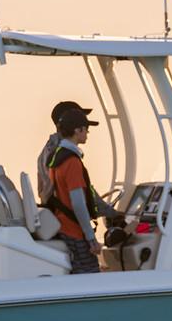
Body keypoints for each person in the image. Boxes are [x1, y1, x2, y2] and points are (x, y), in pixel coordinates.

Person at [44, 108, 123, 275]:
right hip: (74, 230)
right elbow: (78, 203)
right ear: (77, 131)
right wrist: (91, 238)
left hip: (62, 226)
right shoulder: (72, 162)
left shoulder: (56, 157)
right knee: (90, 275)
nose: (87, 133)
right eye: (85, 129)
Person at [37, 100, 93, 203]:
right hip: (64, 215)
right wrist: (112, 212)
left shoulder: (49, 150)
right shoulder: (65, 156)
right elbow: (77, 196)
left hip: (53, 213)